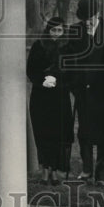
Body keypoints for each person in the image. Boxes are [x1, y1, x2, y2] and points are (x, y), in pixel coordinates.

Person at [61, 0, 104, 185]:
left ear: (98, 14)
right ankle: (87, 170)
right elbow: (68, 61)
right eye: (84, 18)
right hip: (82, 91)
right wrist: (74, 86)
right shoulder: (74, 31)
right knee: (84, 131)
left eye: (91, 18)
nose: (87, 22)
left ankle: (102, 174)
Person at [26, 15, 73, 184]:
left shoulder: (67, 47)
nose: (56, 33)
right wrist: (41, 81)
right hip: (41, 97)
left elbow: (72, 71)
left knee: (58, 133)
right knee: (43, 132)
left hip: (60, 97)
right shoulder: (39, 46)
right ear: (48, 30)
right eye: (53, 30)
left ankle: (55, 170)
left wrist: (59, 81)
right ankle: (44, 169)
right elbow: (30, 69)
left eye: (59, 30)